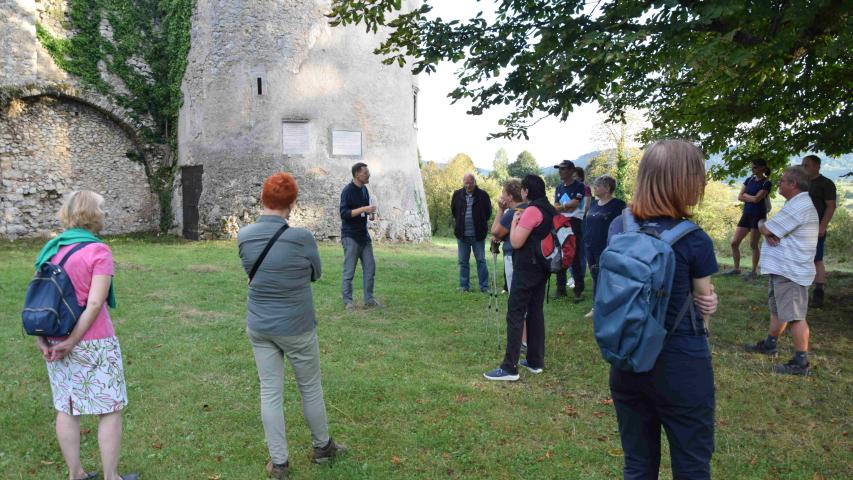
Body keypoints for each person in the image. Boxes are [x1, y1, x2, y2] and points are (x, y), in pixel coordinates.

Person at [607, 140, 719, 479]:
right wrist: (710, 303)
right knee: (691, 464)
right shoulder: (694, 238)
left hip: (627, 357)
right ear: (685, 182)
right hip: (681, 362)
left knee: (638, 464)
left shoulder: (619, 226)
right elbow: (704, 304)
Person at [238, 173, 346, 479]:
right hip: (297, 325)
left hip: (260, 325)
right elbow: (316, 274)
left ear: (263, 200)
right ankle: (323, 448)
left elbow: (251, 272)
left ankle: (279, 464)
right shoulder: (303, 238)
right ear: (292, 204)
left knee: (270, 391)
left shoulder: (244, 236)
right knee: (309, 388)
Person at [32, 191, 138, 480]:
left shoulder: (52, 250)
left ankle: (75, 473)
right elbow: (94, 303)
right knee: (110, 408)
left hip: (56, 340)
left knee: (67, 407)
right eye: (102, 208)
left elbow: (41, 299)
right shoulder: (98, 251)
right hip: (95, 341)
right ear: (92, 213)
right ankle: (111, 476)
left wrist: (44, 339)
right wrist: (73, 341)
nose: (105, 212)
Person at [744, 166, 819, 376]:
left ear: (793, 184)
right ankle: (770, 344)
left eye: (783, 181)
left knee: (795, 316)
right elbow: (769, 228)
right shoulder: (795, 203)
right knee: (779, 310)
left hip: (791, 270)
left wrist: (762, 225)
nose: (779, 184)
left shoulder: (800, 205)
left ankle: (800, 362)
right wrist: (765, 227)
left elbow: (767, 228)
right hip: (784, 269)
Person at [484, 174, 556, 381]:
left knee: (515, 313)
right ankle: (535, 361)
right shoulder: (549, 209)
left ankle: (509, 368)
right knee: (535, 312)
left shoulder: (531, 210)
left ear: (526, 191)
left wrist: (515, 222)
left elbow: (515, 242)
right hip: (543, 267)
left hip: (526, 268)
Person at [490, 179, 527, 350]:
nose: (501, 196)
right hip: (527, 259)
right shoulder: (529, 208)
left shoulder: (513, 212)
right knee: (526, 300)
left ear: (510, 196)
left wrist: (500, 209)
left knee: (517, 300)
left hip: (514, 257)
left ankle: (523, 340)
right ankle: (527, 339)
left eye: (503, 193)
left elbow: (496, 231)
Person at [582, 175, 626, 318]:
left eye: (598, 185)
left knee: (607, 277)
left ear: (607, 188)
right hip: (590, 245)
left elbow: (625, 225)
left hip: (607, 247)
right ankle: (596, 308)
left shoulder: (618, 205)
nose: (595, 188)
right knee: (596, 277)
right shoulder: (594, 204)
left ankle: (611, 307)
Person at [722, 159, 772, 280]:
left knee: (753, 244)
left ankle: (753, 271)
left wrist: (747, 197)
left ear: (762, 168)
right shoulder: (749, 180)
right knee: (734, 242)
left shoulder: (766, 183)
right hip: (746, 214)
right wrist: (750, 197)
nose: (752, 169)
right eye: (752, 167)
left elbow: (757, 200)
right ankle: (736, 269)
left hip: (758, 215)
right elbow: (740, 196)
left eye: (754, 167)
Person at [339, 162, 380, 310]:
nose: (368, 175)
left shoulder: (365, 190)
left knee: (370, 268)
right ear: (357, 174)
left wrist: (371, 214)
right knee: (349, 271)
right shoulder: (347, 191)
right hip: (350, 236)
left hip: (364, 236)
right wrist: (364, 208)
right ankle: (348, 301)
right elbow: (344, 214)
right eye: (365, 173)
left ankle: (369, 300)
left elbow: (364, 213)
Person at [802, 155, 837, 308]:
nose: (803, 167)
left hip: (816, 228)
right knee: (801, 258)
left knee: (817, 259)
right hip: (800, 228)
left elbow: (831, 206)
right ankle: (801, 289)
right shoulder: (802, 183)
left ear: (817, 166)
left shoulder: (826, 183)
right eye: (803, 165)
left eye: (806, 165)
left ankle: (818, 291)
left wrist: (822, 226)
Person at [451, 173, 492, 293]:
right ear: (463, 182)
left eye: (470, 183)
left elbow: (488, 213)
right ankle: (464, 286)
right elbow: (454, 211)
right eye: (466, 183)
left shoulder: (483, 195)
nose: (468, 185)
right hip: (462, 235)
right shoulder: (457, 194)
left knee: (481, 260)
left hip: (478, 235)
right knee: (463, 261)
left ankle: (484, 287)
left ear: (475, 182)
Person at [553, 160, 585, 302]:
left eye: (563, 169)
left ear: (572, 170)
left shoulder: (579, 186)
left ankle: (578, 290)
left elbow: (574, 205)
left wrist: (562, 207)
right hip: (561, 223)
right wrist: (564, 207)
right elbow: (556, 205)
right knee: (560, 254)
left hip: (574, 223)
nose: (560, 171)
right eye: (559, 169)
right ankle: (561, 289)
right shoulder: (559, 187)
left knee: (575, 255)